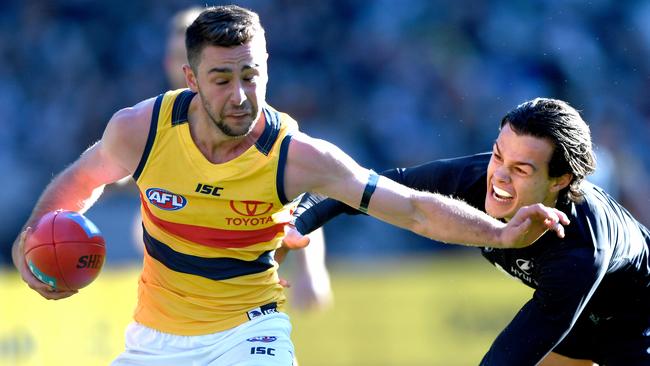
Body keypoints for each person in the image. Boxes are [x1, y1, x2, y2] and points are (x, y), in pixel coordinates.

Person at [11, 6, 568, 365]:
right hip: (152, 341)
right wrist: (31, 240)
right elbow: (79, 182)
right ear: (190, 78)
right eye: (222, 79)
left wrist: (499, 232)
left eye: (251, 76)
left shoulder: (297, 157)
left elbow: (414, 210)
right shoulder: (141, 129)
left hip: (250, 337)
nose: (240, 95)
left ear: (268, 70)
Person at [287, 97, 650, 366]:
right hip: (578, 313)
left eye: (521, 169)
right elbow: (364, 187)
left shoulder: (580, 250)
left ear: (561, 180)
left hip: (637, 319)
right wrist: (295, 225)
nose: (499, 178)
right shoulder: (477, 177)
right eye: (497, 155)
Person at [164, 6, 334, 311]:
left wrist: (311, 266)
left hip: (246, 290)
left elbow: (302, 188)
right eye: (179, 57)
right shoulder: (154, 126)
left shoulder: (251, 126)